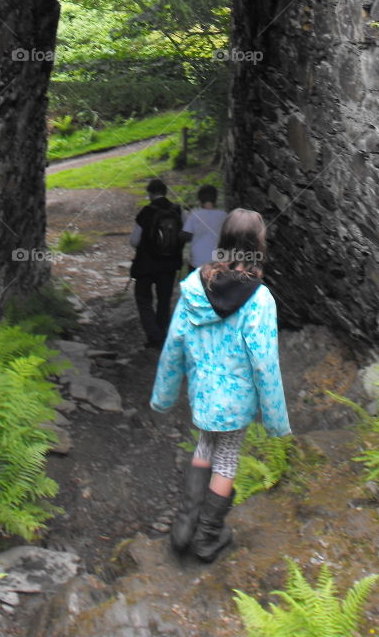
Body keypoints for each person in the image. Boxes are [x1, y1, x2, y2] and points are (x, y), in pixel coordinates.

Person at [150, 208, 290, 562]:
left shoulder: (196, 286)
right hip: (236, 400)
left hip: (203, 395)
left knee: (204, 447)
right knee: (226, 460)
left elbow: (174, 344)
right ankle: (208, 536)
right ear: (258, 246)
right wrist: (275, 419)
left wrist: (163, 397)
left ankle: (184, 525)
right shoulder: (259, 300)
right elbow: (265, 363)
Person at [130, 178, 185, 349]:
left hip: (146, 265)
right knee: (164, 299)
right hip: (169, 265)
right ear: (165, 192)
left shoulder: (146, 212)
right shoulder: (178, 211)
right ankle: (162, 332)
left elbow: (134, 240)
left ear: (150, 193)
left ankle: (154, 336)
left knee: (143, 299)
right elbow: (183, 235)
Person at [183, 185, 227, 272]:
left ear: (199, 199)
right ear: (216, 198)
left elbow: (185, 236)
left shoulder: (194, 215)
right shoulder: (224, 215)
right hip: (218, 261)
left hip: (197, 260)